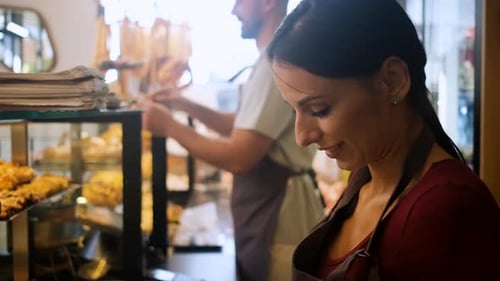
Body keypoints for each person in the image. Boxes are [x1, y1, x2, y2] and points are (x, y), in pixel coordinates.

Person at [266, 0, 500, 280]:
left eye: (319, 109)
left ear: (393, 80)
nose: (302, 136)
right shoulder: (364, 178)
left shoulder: (446, 207)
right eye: (294, 110)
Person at [136, 0, 325, 280]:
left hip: (281, 218)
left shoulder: (280, 59)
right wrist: (183, 104)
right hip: (269, 210)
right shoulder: (268, 59)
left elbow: (240, 156)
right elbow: (244, 125)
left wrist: (171, 127)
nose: (233, 10)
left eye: (240, 0)